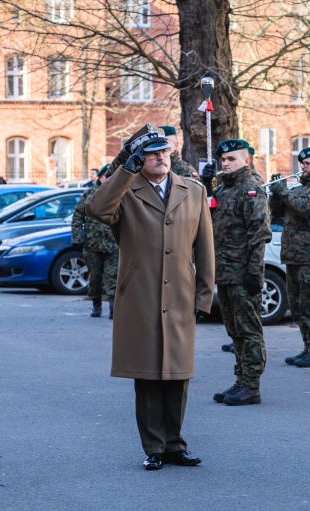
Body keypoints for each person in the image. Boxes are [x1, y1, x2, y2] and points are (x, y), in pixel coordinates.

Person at [85, 125, 214, 470]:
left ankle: (176, 445)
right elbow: (97, 210)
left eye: (165, 151)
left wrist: (204, 298)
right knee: (147, 374)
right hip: (140, 294)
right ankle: (154, 447)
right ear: (140, 158)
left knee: (178, 373)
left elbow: (205, 250)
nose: (160, 157)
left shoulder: (193, 190)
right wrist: (125, 169)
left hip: (182, 294)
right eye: (152, 153)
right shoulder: (126, 191)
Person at [203, 139, 271, 405]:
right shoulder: (224, 190)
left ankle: (251, 385)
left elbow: (259, 234)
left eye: (231, 159)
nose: (225, 163)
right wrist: (207, 186)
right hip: (225, 272)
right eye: (223, 160)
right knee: (234, 331)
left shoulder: (251, 189)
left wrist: (255, 273)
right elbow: (208, 219)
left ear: (247, 160)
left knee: (248, 330)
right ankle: (241, 378)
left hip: (243, 274)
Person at [268, 147, 310, 368]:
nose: (303, 166)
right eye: (302, 163)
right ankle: (307, 347)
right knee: (297, 304)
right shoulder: (298, 188)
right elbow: (277, 213)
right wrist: (276, 193)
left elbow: (305, 208)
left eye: (308, 164)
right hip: (293, 255)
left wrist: (283, 192)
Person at [72, 164, 119, 318]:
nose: (109, 179)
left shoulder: (119, 193)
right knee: (95, 276)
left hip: (113, 244)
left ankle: (113, 307)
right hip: (92, 244)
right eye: (106, 176)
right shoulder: (89, 194)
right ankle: (96, 305)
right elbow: (78, 216)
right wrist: (78, 237)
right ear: (100, 177)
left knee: (113, 276)